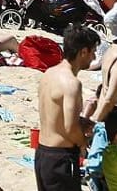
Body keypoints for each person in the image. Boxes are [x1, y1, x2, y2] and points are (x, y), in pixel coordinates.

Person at [37, 25, 100, 191]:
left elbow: (53, 114)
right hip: (61, 158)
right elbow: (70, 127)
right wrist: (83, 144)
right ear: (83, 52)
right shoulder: (72, 83)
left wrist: (82, 121)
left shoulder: (49, 74)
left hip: (43, 154)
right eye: (93, 51)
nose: (94, 57)